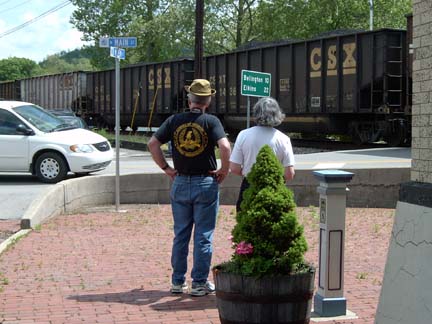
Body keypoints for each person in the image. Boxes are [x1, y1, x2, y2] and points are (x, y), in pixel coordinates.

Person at [147, 78, 231, 297]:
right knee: (203, 235)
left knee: (181, 234)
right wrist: (224, 169)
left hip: (181, 181)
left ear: (189, 98)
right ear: (208, 100)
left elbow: (152, 143)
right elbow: (225, 146)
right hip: (206, 182)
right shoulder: (211, 121)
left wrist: (166, 167)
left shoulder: (174, 120)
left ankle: (177, 282)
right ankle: (199, 283)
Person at [230, 97, 295, 212]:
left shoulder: (243, 135)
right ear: (277, 114)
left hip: (249, 186)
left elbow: (234, 168)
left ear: (256, 114)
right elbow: (289, 174)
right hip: (275, 189)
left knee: (246, 223)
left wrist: (249, 174)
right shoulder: (284, 139)